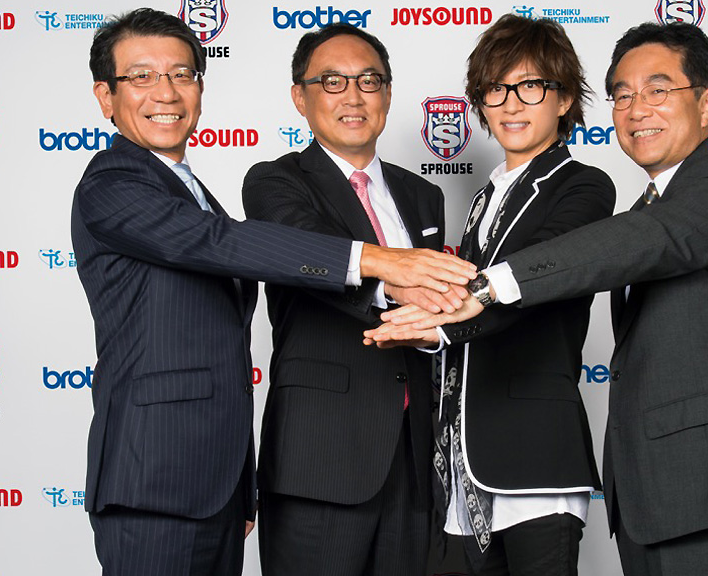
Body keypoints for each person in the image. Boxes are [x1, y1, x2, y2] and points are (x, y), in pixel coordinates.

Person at [369, 22, 708, 576]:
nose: (637, 109)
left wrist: (486, 288)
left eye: (658, 90)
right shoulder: (647, 205)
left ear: (707, 102)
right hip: (652, 491)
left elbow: (630, 244)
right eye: (623, 95)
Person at [72, 9, 473, 576]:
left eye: (182, 74)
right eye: (141, 76)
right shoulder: (111, 182)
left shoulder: (193, 192)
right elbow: (221, 243)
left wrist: (240, 484)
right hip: (153, 479)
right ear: (105, 97)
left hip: (217, 486)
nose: (166, 91)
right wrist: (382, 260)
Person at [372, 14, 614, 576]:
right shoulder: (485, 196)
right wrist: (420, 321)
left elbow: (528, 280)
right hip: (462, 463)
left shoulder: (584, 186)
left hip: (535, 457)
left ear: (564, 99)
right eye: (496, 89)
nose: (510, 104)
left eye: (530, 86)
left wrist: (438, 324)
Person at [240, 23, 455, 576]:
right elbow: (309, 253)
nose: (353, 96)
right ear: (300, 97)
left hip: (414, 458)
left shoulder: (423, 194)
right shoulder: (274, 183)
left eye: (368, 80)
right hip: (321, 459)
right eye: (332, 82)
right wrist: (396, 279)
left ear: (388, 93)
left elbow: (439, 309)